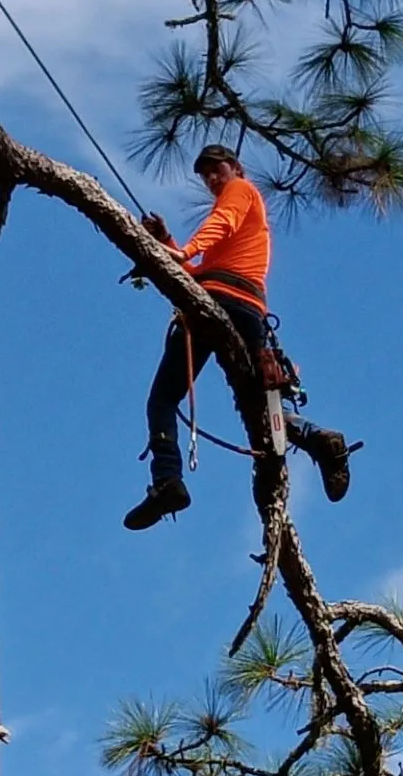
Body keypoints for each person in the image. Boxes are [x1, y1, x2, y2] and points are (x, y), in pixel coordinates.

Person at [124, 144, 353, 532]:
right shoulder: (242, 210)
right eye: (206, 174)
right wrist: (168, 245)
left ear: (236, 168)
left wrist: (185, 252)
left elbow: (222, 224)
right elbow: (201, 269)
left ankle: (167, 481)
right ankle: (319, 440)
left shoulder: (242, 191)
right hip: (247, 308)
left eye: (218, 170)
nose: (213, 179)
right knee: (265, 406)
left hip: (214, 300)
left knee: (163, 397)